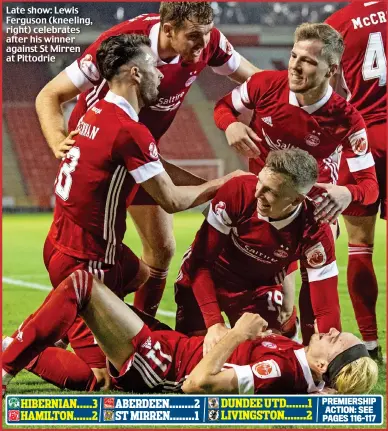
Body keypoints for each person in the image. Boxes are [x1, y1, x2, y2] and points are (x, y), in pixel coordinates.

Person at [9, 34, 243, 390]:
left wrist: (211, 182)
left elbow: (156, 166)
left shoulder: (94, 112)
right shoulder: (130, 130)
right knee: (102, 380)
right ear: (135, 74)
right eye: (153, 67)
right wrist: (224, 184)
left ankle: (76, 322)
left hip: (66, 242)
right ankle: (19, 347)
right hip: (85, 260)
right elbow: (172, 200)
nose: (161, 76)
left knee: (138, 274)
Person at [35, 1, 261, 318]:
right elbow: (49, 94)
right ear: (168, 29)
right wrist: (60, 142)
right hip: (102, 155)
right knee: (92, 259)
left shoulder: (206, 42)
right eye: (195, 36)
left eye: (207, 35)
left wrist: (294, 102)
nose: (204, 44)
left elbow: (259, 80)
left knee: (159, 253)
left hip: (138, 147)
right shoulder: (125, 45)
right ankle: (55, 333)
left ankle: (141, 331)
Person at [213, 22, 379, 343]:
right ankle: (285, 339)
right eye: (293, 56)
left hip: (315, 207)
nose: (295, 66)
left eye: (308, 61)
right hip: (267, 203)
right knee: (283, 308)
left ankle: (311, 349)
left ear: (331, 69)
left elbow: (369, 186)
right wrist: (230, 125)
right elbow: (223, 107)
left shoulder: (346, 118)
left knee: (316, 280)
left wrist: (347, 192)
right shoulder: (263, 85)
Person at [2, 270, 378, 395]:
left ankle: (5, 367)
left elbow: (197, 384)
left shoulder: (282, 370)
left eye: (336, 339)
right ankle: (11, 348)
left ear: (326, 362)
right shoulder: (298, 357)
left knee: (81, 286)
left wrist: (236, 333)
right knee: (94, 367)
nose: (331, 332)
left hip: (163, 368)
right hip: (167, 346)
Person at [175, 148, 340, 352]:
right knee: (192, 355)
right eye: (260, 181)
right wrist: (214, 324)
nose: (258, 193)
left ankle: (287, 328)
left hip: (259, 288)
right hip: (209, 278)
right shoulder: (238, 191)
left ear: (297, 199)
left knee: (264, 357)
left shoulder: (315, 229)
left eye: (271, 191)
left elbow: (326, 307)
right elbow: (200, 262)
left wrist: (328, 355)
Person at [325, 0, 386, 361]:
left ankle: (371, 343)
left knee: (359, 246)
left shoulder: (339, 23)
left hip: (363, 138)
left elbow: (325, 86)